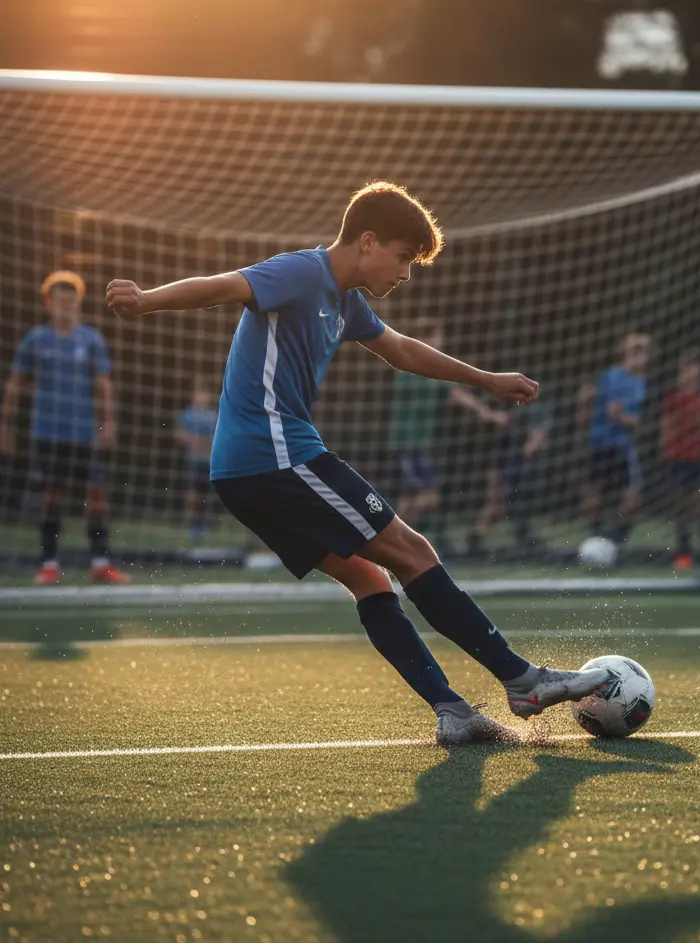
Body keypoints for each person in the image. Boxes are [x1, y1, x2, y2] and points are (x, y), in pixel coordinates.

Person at [106, 181, 609, 745]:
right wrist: (146, 300)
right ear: (367, 241)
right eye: (403, 257)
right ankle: (523, 681)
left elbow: (402, 350)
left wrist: (486, 379)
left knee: (369, 577)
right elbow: (225, 286)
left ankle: (453, 711)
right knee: (412, 551)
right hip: (275, 455)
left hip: (244, 473)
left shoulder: (345, 301)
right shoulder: (303, 272)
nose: (406, 273)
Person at [0, 269, 131, 585]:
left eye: (71, 301)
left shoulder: (91, 339)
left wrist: (108, 424)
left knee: (97, 496)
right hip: (47, 432)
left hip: (84, 433)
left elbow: (104, 386)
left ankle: (100, 563)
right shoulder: (36, 339)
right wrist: (5, 426)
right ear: (49, 302)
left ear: (79, 303)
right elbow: (16, 384)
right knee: (51, 497)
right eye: (60, 301)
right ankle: (49, 564)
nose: (66, 306)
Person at [389, 318, 507, 546]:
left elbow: (450, 393)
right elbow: (456, 394)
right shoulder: (410, 366)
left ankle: (394, 541)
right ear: (424, 339)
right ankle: (386, 535)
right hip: (409, 444)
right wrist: (490, 414)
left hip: (418, 443)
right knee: (428, 499)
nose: (440, 342)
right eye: (437, 337)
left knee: (410, 498)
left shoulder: (422, 367)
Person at [581, 333, 651, 545]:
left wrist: (632, 420)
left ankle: (618, 541)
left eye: (644, 352)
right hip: (602, 442)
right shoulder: (612, 376)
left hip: (623, 445)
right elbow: (614, 413)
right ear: (626, 354)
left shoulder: (640, 382)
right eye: (636, 352)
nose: (641, 357)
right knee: (594, 493)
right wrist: (631, 421)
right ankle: (594, 536)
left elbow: (635, 416)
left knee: (631, 497)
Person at [659, 350, 700, 570]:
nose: (688, 373)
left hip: (696, 458)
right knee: (682, 508)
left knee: (699, 505)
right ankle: (683, 553)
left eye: (692, 368)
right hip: (677, 459)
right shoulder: (672, 397)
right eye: (684, 369)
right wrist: (667, 450)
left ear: (699, 371)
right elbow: (666, 426)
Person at [469, 399, 552, 555]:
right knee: (498, 502)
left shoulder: (529, 410)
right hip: (510, 463)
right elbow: (533, 441)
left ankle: (522, 536)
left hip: (513, 462)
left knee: (509, 503)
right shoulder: (519, 410)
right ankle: (476, 538)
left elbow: (537, 438)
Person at [175, 380, 219, 543]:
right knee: (192, 493)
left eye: (203, 394)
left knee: (209, 493)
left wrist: (205, 444)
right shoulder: (187, 414)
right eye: (198, 394)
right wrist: (193, 441)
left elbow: (217, 437)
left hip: (208, 461)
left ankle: (206, 523)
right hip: (193, 459)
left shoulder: (213, 415)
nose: (200, 397)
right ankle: (192, 525)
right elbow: (179, 434)